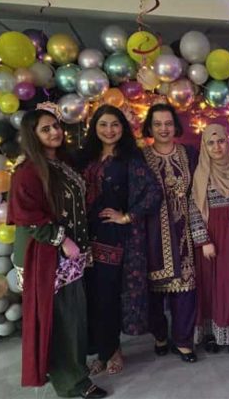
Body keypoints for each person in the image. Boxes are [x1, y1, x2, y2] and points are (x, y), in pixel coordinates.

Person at [8, 108, 107, 398]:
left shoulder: (60, 163)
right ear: (32, 135)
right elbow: (28, 215)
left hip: (68, 255)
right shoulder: (28, 172)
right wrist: (62, 239)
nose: (54, 132)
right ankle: (73, 384)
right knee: (63, 319)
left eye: (55, 126)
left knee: (71, 317)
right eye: (45, 129)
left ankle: (69, 371)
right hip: (45, 256)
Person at [78, 105, 162, 375]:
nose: (109, 130)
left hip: (113, 239)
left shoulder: (130, 159)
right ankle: (100, 351)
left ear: (122, 128)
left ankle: (112, 350)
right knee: (90, 296)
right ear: (95, 128)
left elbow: (153, 193)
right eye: (103, 124)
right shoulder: (85, 157)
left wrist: (127, 216)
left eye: (115, 124)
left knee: (108, 296)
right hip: (83, 238)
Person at [141, 103, 200, 363]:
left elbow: (198, 189)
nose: (163, 129)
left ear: (175, 126)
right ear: (150, 127)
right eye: (158, 124)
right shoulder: (140, 156)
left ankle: (183, 340)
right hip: (151, 231)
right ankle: (160, 335)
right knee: (154, 290)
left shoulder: (189, 153)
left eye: (167, 123)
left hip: (184, 229)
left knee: (186, 286)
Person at [189, 124, 229, 354]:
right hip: (212, 237)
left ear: (228, 142)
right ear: (204, 145)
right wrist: (203, 241)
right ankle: (212, 334)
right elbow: (194, 208)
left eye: (221, 141)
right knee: (212, 285)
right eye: (211, 142)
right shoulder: (201, 173)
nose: (216, 147)